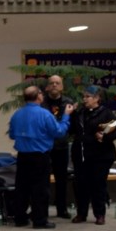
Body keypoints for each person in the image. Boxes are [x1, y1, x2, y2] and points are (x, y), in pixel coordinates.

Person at [8, 85, 72, 229]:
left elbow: (12, 134)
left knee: (22, 188)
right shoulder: (45, 114)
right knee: (40, 189)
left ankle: (20, 218)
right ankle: (40, 220)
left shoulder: (17, 114)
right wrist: (66, 115)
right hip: (40, 156)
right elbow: (59, 132)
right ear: (38, 96)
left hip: (23, 156)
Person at [70, 85, 116, 225]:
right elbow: (71, 130)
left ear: (97, 98)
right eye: (84, 97)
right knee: (81, 185)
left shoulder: (105, 113)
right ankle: (81, 214)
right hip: (81, 154)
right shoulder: (80, 112)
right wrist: (70, 114)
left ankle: (100, 214)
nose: (84, 99)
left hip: (101, 156)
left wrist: (104, 137)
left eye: (88, 97)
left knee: (98, 185)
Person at [42, 75, 74, 218]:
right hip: (44, 147)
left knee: (62, 179)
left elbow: (71, 124)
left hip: (61, 147)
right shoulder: (41, 102)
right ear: (47, 86)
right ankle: (42, 209)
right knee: (43, 179)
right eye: (52, 83)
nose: (54, 85)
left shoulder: (68, 102)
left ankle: (62, 209)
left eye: (57, 83)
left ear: (62, 86)